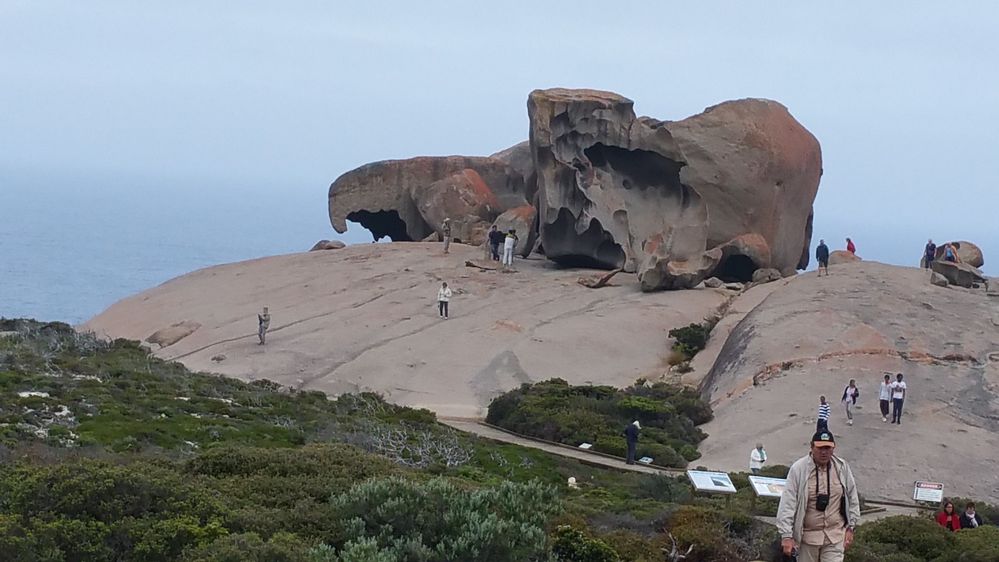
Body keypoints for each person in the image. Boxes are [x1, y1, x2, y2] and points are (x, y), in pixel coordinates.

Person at [777, 430, 860, 562]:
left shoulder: (842, 467)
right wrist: (786, 535)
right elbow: (788, 503)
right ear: (812, 447)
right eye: (820, 447)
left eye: (828, 448)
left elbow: (852, 497)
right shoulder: (798, 469)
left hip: (835, 536)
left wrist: (851, 527)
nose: (824, 452)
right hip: (807, 538)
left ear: (833, 448)